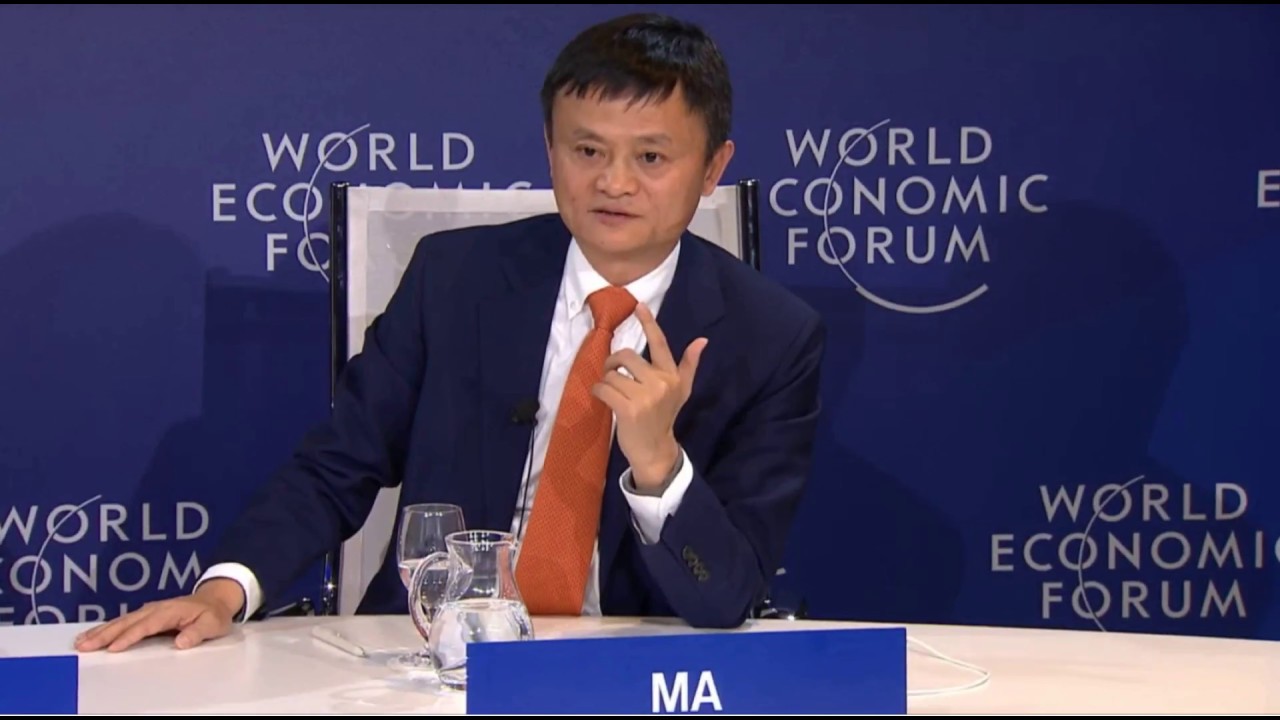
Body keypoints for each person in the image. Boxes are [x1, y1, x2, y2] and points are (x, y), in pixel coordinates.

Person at [75, 11, 826, 653]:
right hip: (428, 655)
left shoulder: (772, 338)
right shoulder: (455, 278)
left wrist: (659, 465)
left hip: (624, 664)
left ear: (712, 168)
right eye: (587, 150)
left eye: (651, 157)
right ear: (550, 149)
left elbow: (725, 596)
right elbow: (339, 463)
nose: (614, 182)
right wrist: (224, 591)